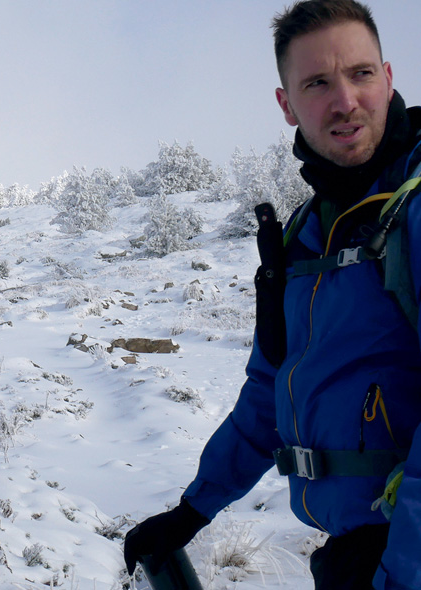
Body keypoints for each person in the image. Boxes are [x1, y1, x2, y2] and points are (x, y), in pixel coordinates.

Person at [123, 2, 421, 589]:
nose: (345, 100)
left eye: (361, 74)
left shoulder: (414, 210)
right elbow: (270, 392)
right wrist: (193, 510)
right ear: (286, 104)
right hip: (361, 553)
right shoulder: (301, 236)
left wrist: (400, 572)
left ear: (388, 78)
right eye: (317, 83)